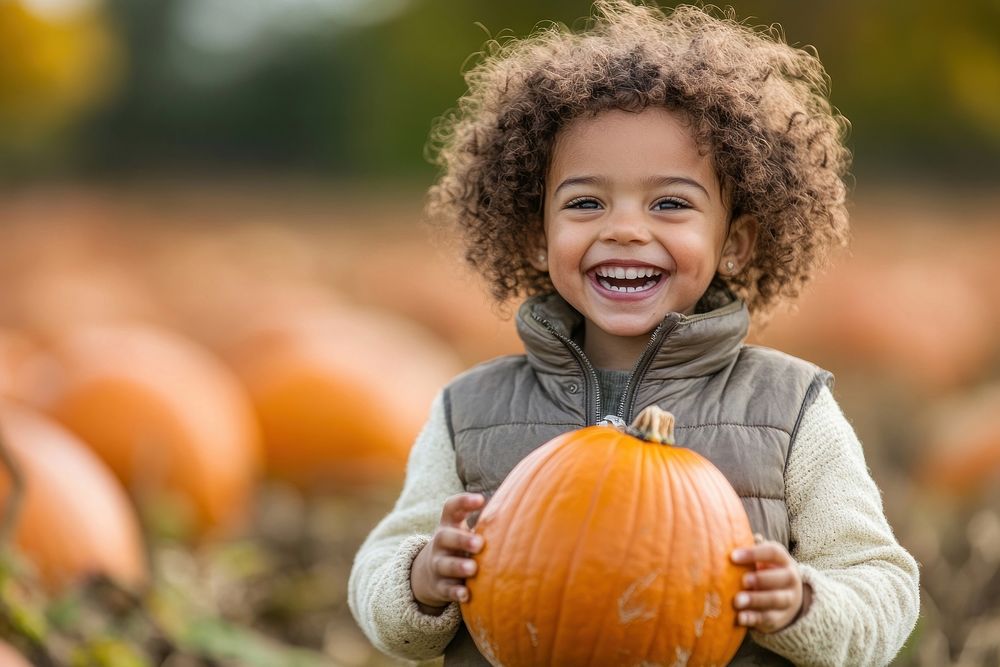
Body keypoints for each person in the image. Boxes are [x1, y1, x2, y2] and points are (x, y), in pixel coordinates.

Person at [348, 2, 920, 665]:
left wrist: (802, 605)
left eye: (670, 203)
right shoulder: (469, 412)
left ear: (734, 242)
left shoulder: (789, 412)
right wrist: (419, 579)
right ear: (536, 237)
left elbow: (883, 584)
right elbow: (379, 576)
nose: (624, 229)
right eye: (586, 202)